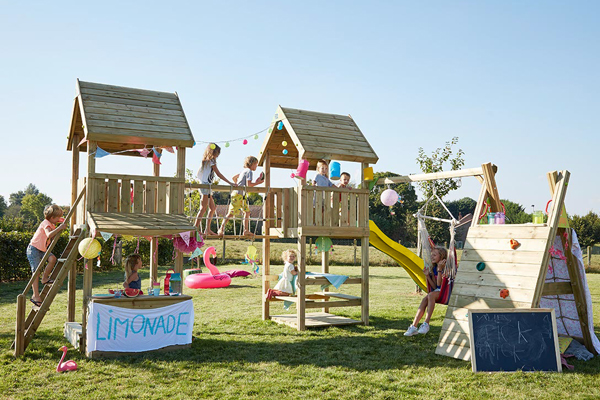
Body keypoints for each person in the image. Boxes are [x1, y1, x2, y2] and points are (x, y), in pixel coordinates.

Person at [26, 204, 67, 307]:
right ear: (52, 218)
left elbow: (61, 219)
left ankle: (45, 278)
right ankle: (35, 295)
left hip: (42, 249)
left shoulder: (52, 223)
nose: (59, 219)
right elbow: (49, 234)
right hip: (34, 249)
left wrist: (62, 220)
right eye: (57, 218)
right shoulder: (46, 223)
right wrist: (60, 227)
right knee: (36, 272)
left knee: (52, 259)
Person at [404, 246, 448, 336]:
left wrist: (440, 270)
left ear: (442, 257)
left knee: (430, 295)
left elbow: (441, 284)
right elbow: (435, 286)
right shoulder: (434, 268)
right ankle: (413, 326)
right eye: (432, 255)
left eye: (434, 255)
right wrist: (428, 276)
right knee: (425, 299)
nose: (432, 257)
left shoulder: (446, 267)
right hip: (438, 291)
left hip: (446, 292)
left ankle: (426, 323)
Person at [218, 156, 264, 236]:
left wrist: (237, 182)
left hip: (241, 196)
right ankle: (221, 229)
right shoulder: (249, 171)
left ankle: (246, 230)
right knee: (231, 213)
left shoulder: (244, 171)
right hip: (238, 196)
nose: (256, 166)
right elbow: (248, 185)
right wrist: (258, 183)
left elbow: (234, 178)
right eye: (256, 164)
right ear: (252, 164)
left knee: (247, 212)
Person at [194, 144, 234, 235]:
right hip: (205, 186)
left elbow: (199, 174)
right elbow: (218, 173)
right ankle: (195, 228)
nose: (218, 155)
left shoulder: (205, 161)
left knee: (212, 208)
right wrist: (230, 183)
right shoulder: (211, 161)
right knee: (203, 208)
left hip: (206, 186)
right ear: (214, 152)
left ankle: (207, 229)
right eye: (218, 152)